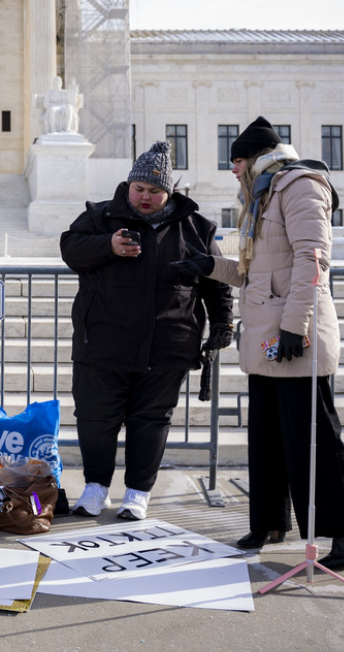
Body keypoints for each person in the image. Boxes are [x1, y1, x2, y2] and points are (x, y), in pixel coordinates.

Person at [171, 116, 344, 571]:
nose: (232, 169)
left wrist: (294, 327)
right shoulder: (261, 195)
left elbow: (312, 261)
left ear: (256, 158)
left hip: (295, 334)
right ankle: (269, 522)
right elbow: (251, 274)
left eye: (236, 161)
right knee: (267, 439)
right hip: (265, 337)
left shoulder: (300, 185)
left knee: (314, 441)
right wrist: (207, 265)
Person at [60, 140, 234, 521]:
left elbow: (217, 282)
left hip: (167, 347)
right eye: (139, 188)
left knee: (151, 420)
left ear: (169, 192)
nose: (144, 197)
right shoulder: (100, 217)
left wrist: (223, 322)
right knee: (95, 417)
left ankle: (138, 492)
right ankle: (95, 488)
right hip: (102, 343)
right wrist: (108, 246)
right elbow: (70, 249)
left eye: (155, 191)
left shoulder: (196, 229)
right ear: (128, 185)